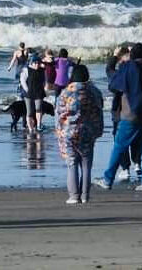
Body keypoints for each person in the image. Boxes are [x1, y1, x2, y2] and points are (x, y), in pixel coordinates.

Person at [93, 43, 142, 192]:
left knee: (119, 145)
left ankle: (107, 179)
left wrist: (115, 57)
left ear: (132, 56)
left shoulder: (129, 69)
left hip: (130, 114)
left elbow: (113, 81)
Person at [56, 64, 103, 205]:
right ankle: (85, 196)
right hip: (88, 131)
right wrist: (98, 130)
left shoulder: (65, 93)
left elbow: (58, 113)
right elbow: (99, 111)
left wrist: (59, 131)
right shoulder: (94, 91)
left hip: (69, 132)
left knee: (72, 163)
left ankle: (74, 196)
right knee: (86, 164)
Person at [106, 47, 139, 180]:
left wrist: (114, 56)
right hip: (137, 110)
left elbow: (109, 72)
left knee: (120, 140)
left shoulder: (121, 75)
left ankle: (125, 168)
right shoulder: (138, 73)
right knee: (137, 138)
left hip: (121, 112)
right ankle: (137, 164)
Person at [19, 54, 46, 134]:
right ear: (31, 63)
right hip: (29, 93)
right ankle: (30, 128)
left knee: (39, 109)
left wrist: (43, 87)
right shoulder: (26, 70)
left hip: (39, 91)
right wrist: (27, 90)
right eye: (35, 63)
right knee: (29, 112)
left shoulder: (42, 70)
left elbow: (44, 80)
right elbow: (23, 81)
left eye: (38, 63)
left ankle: (38, 125)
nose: (37, 64)